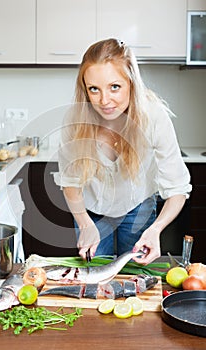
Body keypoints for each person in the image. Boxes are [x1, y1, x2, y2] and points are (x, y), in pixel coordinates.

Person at [53, 38, 192, 265]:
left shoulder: (153, 117)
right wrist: (85, 224)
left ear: (131, 83)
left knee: (134, 277)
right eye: (94, 89)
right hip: (93, 210)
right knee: (96, 277)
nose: (104, 100)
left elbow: (177, 188)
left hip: (138, 207)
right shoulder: (75, 120)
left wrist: (156, 230)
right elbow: (70, 181)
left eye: (114, 87)